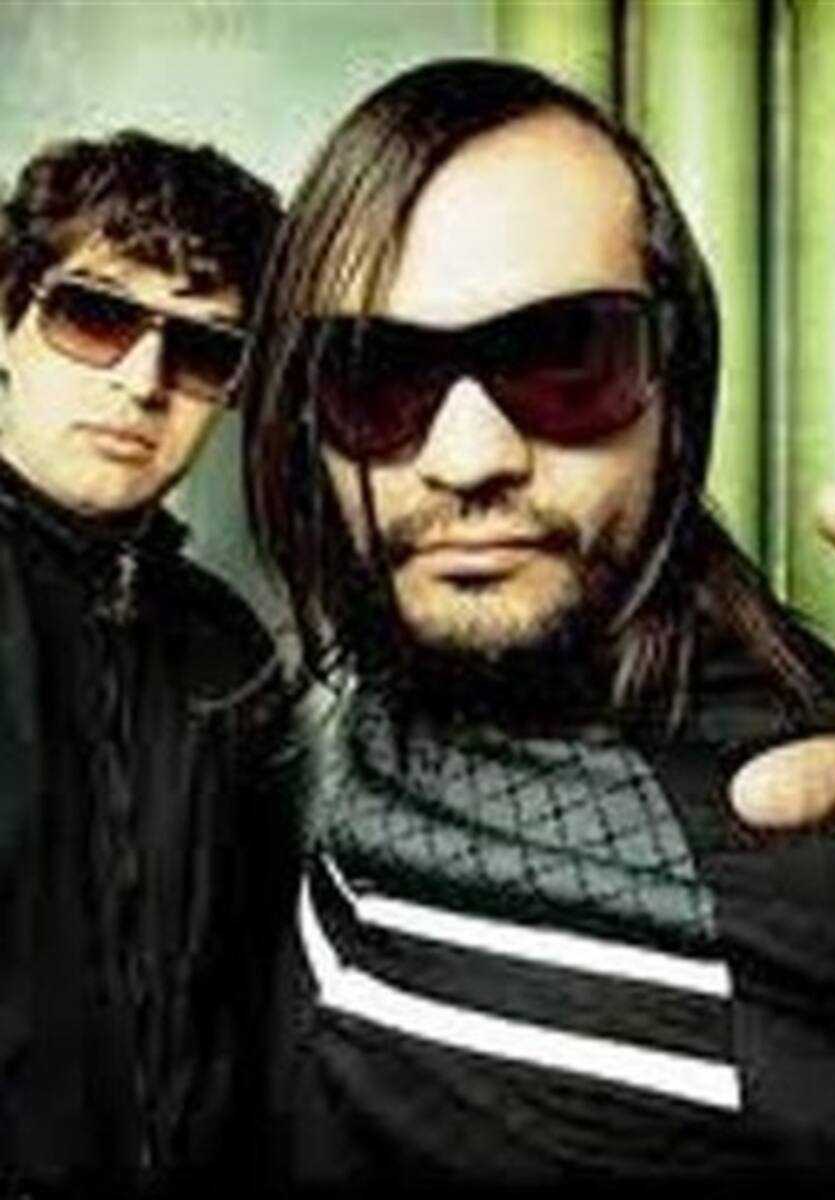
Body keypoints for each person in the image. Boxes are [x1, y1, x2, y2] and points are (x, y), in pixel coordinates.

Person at [241, 60, 835, 1190]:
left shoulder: (830, 840)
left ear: (676, 390)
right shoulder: (400, 676)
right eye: (375, 375)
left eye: (565, 358)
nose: (467, 458)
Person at [0, 130, 293, 1190]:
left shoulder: (229, 648)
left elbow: (255, 999)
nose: (143, 382)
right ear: (7, 319)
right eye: (95, 315)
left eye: (205, 350)